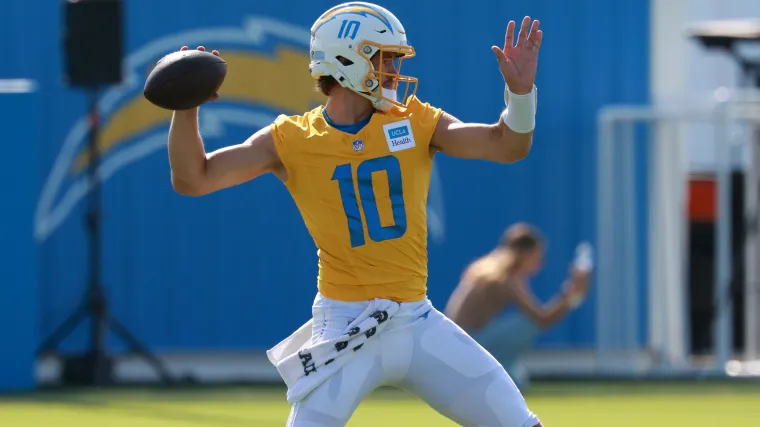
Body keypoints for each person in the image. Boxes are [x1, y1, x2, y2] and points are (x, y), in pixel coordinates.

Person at [167, 2, 544, 426]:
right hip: (346, 326)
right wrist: (186, 106)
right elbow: (193, 179)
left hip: (415, 320)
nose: (393, 72)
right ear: (346, 59)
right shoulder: (291, 138)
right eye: (384, 59)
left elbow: (507, 145)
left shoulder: (416, 121)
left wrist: (521, 95)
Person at [444, 223, 592, 391]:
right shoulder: (504, 277)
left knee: (521, 329)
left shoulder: (490, 268)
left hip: (459, 342)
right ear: (524, 254)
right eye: (538, 256)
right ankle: (496, 377)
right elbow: (541, 319)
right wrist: (572, 295)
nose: (540, 262)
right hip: (465, 345)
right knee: (525, 325)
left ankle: (502, 375)